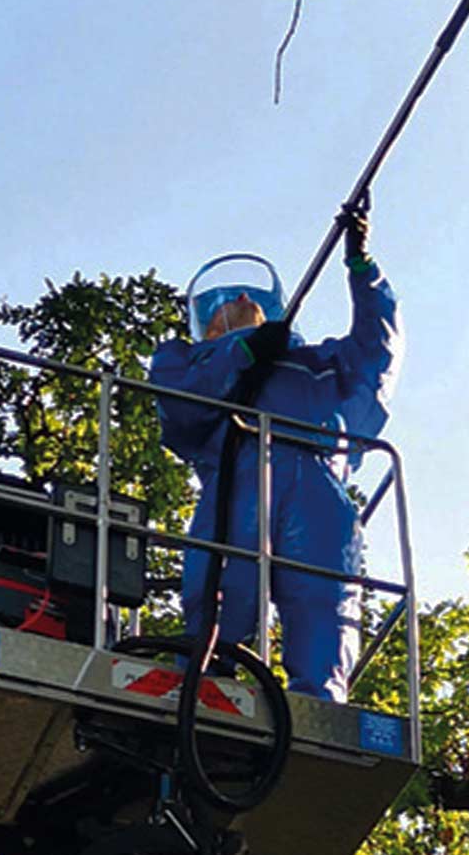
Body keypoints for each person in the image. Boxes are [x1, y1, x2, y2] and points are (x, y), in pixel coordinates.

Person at [150, 206, 401, 702]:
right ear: (207, 324)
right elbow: (180, 408)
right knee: (220, 589)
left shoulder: (318, 362)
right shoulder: (186, 358)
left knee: (325, 600)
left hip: (319, 483)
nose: (242, 299)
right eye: (228, 301)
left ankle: (321, 700)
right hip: (236, 477)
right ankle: (206, 683)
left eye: (249, 296)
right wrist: (241, 353)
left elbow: (378, 349)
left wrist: (362, 268)